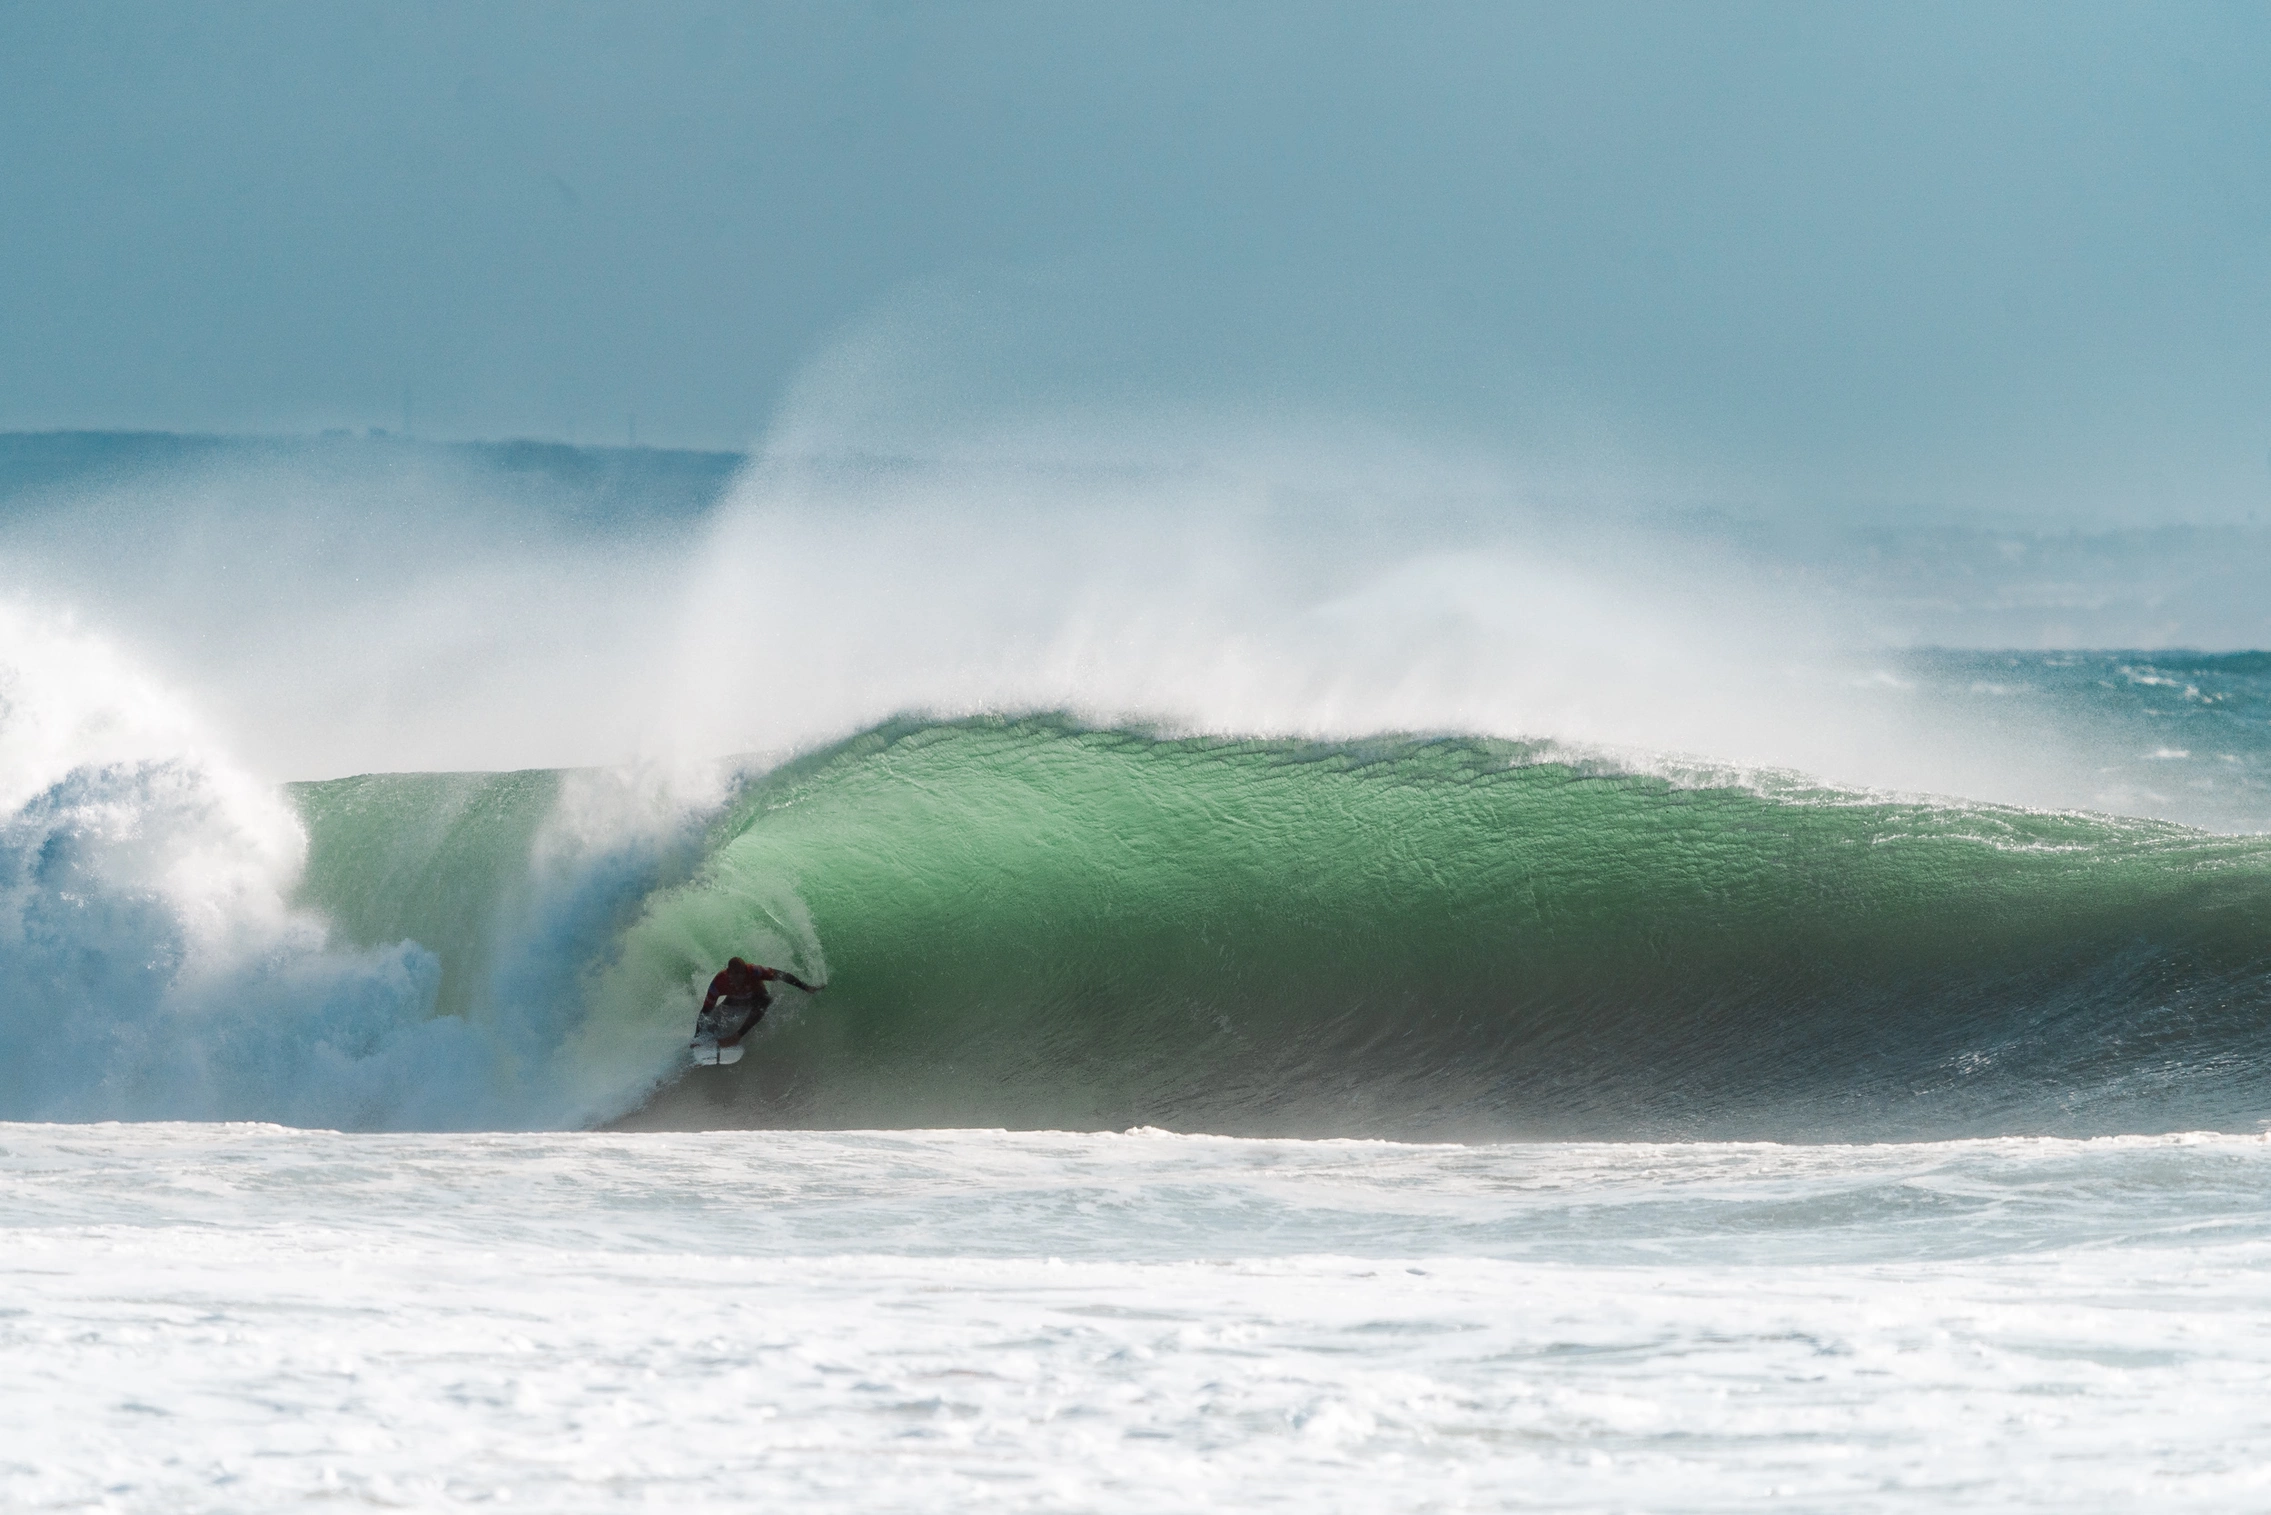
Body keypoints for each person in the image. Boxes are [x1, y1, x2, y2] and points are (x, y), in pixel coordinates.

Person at [693, 956, 823, 1048]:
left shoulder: (754, 971)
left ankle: (737, 1036)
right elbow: (705, 1010)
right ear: (728, 973)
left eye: (741, 974)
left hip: (757, 997)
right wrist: (697, 1036)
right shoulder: (718, 983)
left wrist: (806, 987)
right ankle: (706, 1040)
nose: (739, 978)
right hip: (736, 1000)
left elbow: (783, 975)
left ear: (746, 972)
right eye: (735, 975)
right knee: (714, 1015)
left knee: (765, 1001)